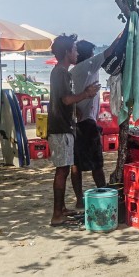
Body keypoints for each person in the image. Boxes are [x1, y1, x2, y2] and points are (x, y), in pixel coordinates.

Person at [47, 34, 100, 227]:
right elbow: (66, 100)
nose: (77, 53)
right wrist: (86, 94)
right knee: (62, 171)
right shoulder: (61, 73)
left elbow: (66, 100)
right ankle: (56, 214)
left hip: (63, 126)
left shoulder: (60, 73)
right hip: (61, 127)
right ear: (68, 52)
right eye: (75, 50)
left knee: (64, 170)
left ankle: (60, 209)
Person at [69, 38, 118, 207]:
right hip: (87, 123)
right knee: (97, 163)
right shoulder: (88, 65)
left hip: (76, 123)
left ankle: (79, 200)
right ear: (88, 55)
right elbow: (109, 51)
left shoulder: (74, 70)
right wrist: (126, 31)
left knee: (76, 163)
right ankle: (104, 194)